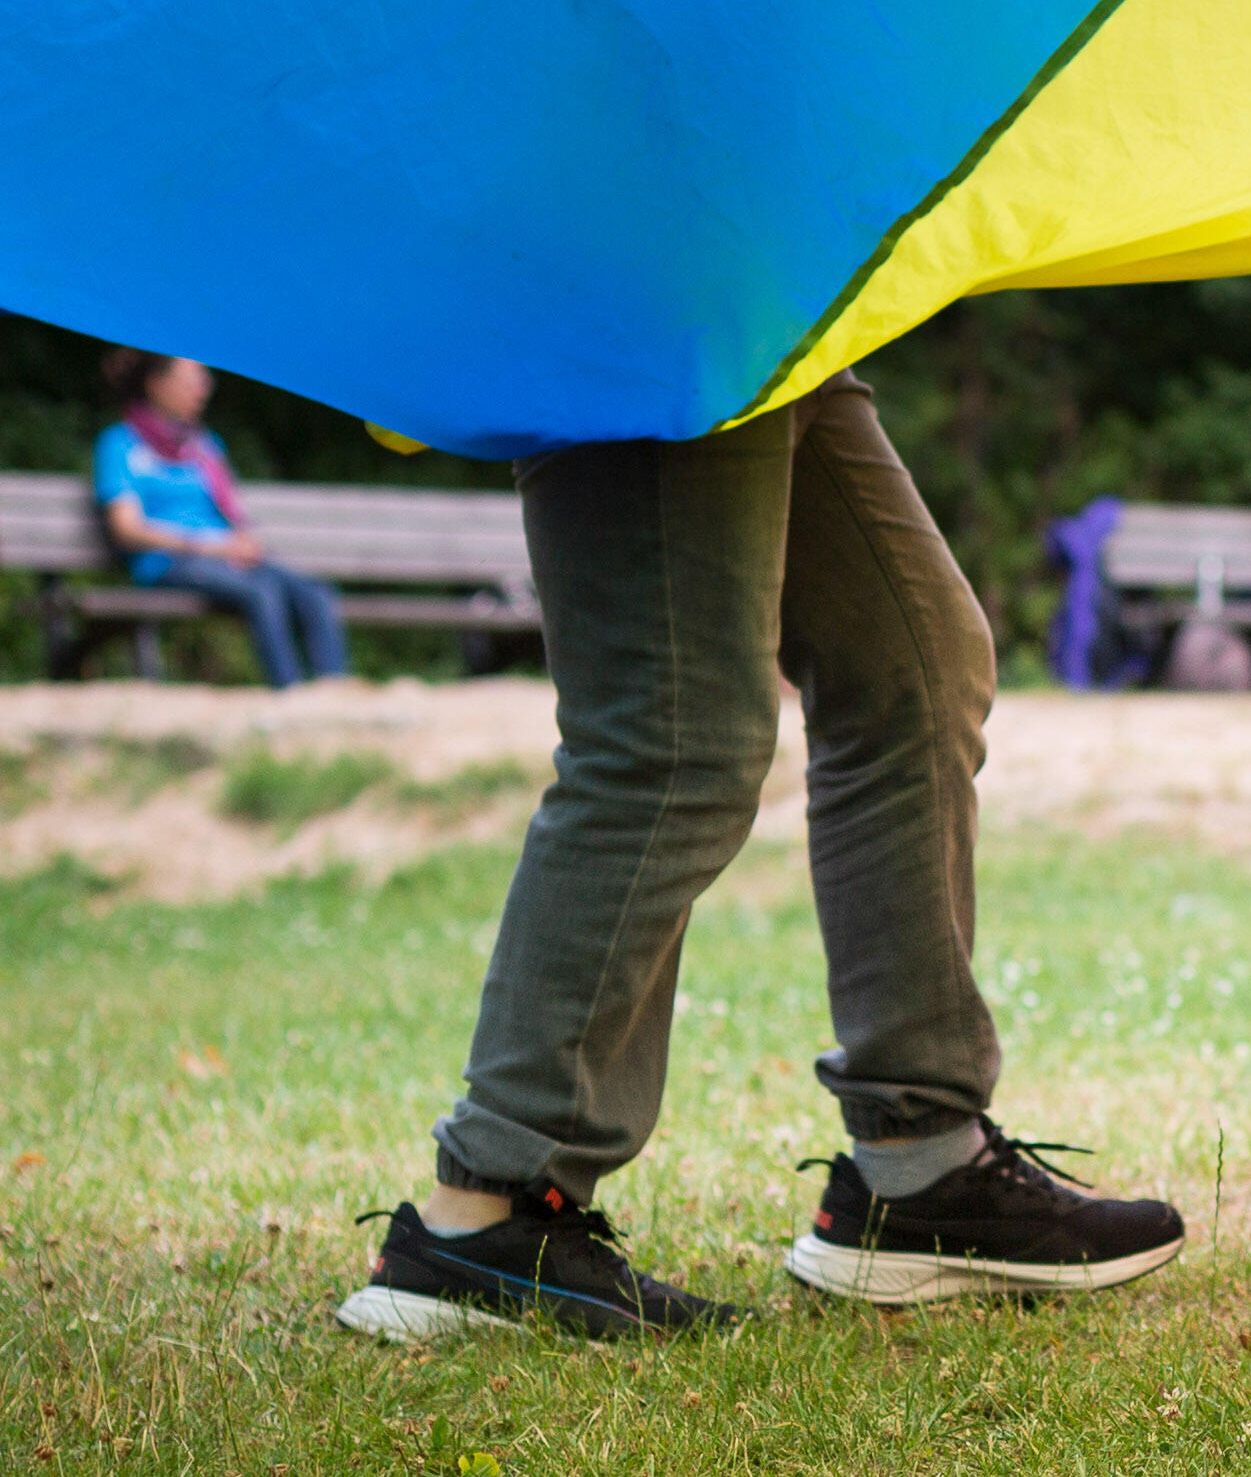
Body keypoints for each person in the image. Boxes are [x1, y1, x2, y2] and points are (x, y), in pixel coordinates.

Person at [335, 371, 1187, 1342]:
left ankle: (921, 1167)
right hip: (651, 302)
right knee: (673, 739)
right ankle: (487, 1214)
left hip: (782, 314)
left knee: (912, 675)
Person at [90, 349, 349, 689]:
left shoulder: (204, 446)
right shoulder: (120, 444)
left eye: (203, 380)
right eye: (192, 381)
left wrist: (242, 541)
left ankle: (334, 695)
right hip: (168, 563)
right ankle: (290, 694)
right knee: (263, 591)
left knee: (316, 595)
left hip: (224, 556)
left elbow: (235, 512)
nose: (204, 389)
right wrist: (209, 546)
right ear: (156, 385)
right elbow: (126, 529)